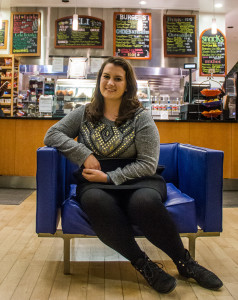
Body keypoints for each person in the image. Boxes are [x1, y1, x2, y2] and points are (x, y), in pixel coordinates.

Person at [44, 56, 223, 294]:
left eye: (118, 78)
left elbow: (148, 163)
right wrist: (84, 154)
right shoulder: (83, 113)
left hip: (139, 178)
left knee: (145, 202)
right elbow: (52, 135)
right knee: (95, 200)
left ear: (127, 85)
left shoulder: (141, 116)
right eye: (106, 77)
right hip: (94, 183)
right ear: (99, 80)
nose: (110, 83)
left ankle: (185, 263)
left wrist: (109, 178)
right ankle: (144, 265)